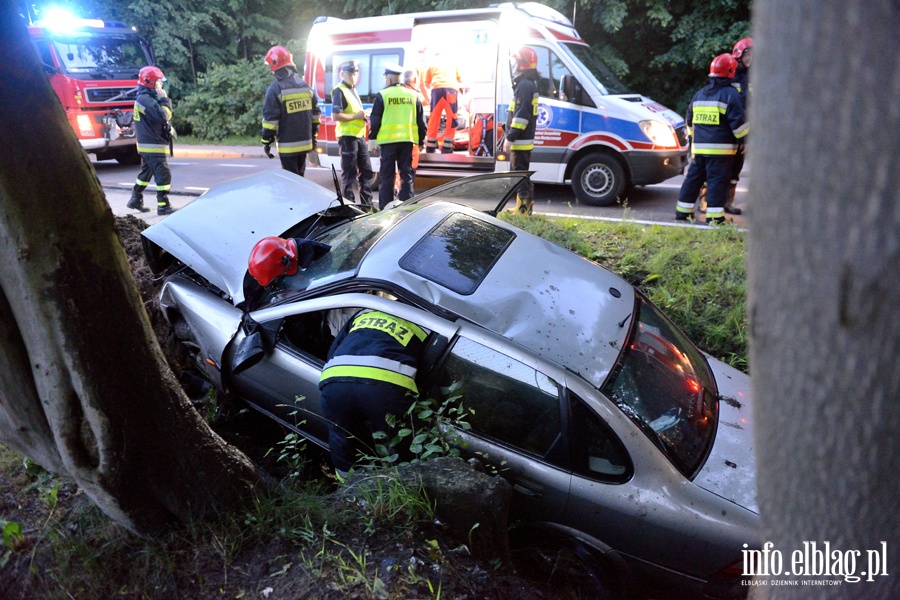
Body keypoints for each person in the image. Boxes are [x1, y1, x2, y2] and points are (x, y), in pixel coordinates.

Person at [319, 309, 428, 478]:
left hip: (336, 381)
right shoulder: (428, 322)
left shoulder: (367, 310)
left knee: (342, 441)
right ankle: (404, 491)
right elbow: (430, 370)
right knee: (402, 445)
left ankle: (348, 492)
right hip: (388, 384)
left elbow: (332, 350)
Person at [675, 54, 749, 225]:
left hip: (699, 149)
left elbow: (689, 120)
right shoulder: (731, 95)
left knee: (693, 180)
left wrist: (696, 139)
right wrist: (744, 140)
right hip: (721, 151)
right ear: (731, 72)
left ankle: (682, 212)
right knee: (717, 182)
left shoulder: (700, 94)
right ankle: (715, 218)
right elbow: (738, 124)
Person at [368, 63, 426, 210]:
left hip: (388, 143)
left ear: (389, 79)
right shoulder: (413, 95)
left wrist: (372, 141)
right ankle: (406, 208)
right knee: (406, 176)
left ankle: (385, 209)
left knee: (387, 177)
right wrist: (421, 141)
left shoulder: (383, 95)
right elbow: (421, 121)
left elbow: (375, 120)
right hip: (407, 142)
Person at [261, 45, 320, 177]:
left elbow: (270, 120)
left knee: (291, 183)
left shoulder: (275, 89)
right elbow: (316, 114)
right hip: (305, 143)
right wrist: (313, 135)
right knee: (300, 179)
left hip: (288, 146)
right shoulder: (305, 86)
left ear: (274, 65)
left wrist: (266, 141)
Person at [128, 66, 175, 215]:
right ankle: (163, 205)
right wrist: (164, 99)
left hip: (148, 144)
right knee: (163, 173)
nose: (160, 85)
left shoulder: (145, 98)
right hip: (152, 144)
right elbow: (164, 116)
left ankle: (135, 199)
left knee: (146, 174)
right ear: (150, 82)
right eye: (158, 82)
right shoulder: (145, 99)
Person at [331, 60, 374, 208]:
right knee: (349, 174)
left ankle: (366, 206)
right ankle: (348, 207)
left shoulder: (352, 90)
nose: (353, 77)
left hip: (359, 136)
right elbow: (336, 116)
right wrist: (357, 116)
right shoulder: (340, 90)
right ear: (343, 74)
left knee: (367, 171)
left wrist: (363, 115)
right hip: (347, 137)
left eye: (355, 74)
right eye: (350, 74)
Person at [504, 47, 540, 215]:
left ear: (521, 63)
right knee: (521, 174)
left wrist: (510, 137)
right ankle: (523, 207)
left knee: (519, 175)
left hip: (520, 141)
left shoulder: (524, 86)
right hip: (523, 140)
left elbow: (521, 116)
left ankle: (523, 210)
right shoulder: (528, 84)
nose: (513, 65)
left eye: (515, 61)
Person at [725, 37, 753, 215]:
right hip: (727, 128)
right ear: (739, 55)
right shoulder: (729, 73)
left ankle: (728, 202)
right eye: (749, 55)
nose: (752, 59)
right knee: (718, 169)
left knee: (736, 169)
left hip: (744, 127)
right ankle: (706, 202)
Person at [423, 50, 463, 154]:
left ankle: (430, 147)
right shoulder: (453, 64)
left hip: (436, 90)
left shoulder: (431, 65)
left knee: (434, 117)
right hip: (451, 90)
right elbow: (460, 80)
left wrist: (429, 98)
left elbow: (427, 84)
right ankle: (447, 148)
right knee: (452, 118)